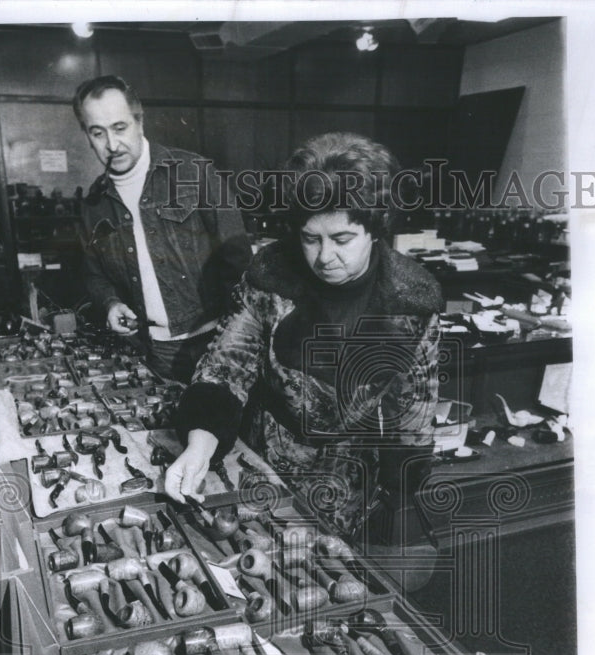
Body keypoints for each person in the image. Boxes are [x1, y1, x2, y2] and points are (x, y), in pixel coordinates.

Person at [165, 132, 443, 542]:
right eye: (311, 239)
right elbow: (227, 366)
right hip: (262, 462)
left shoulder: (412, 300)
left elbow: (413, 415)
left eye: (342, 239)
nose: (324, 256)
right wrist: (200, 445)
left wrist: (401, 495)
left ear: (375, 228)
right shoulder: (271, 274)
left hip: (349, 481)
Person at [72, 75, 252, 382]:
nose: (112, 145)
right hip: (158, 352)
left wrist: (239, 338)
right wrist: (110, 302)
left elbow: (239, 261)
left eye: (120, 128)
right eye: (98, 133)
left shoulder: (194, 172)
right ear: (87, 135)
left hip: (220, 340)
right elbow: (94, 274)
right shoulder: (93, 204)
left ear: (140, 121)